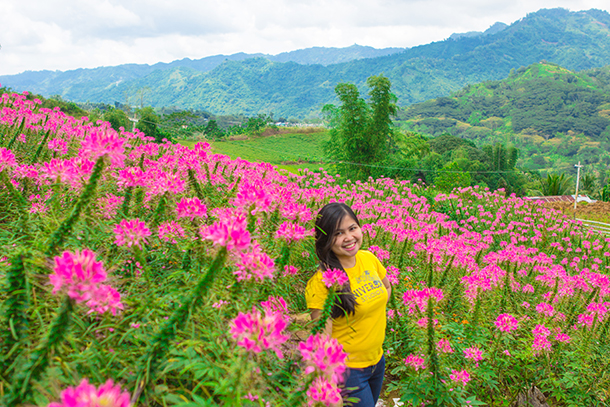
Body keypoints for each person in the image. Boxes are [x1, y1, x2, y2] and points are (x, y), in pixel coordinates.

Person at [305, 202, 391, 407]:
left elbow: (386, 288)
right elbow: (322, 340)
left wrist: (370, 308)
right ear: (325, 239)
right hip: (348, 371)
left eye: (352, 228)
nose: (349, 237)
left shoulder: (369, 258)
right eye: (338, 233)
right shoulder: (321, 282)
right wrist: (325, 384)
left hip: (377, 361)